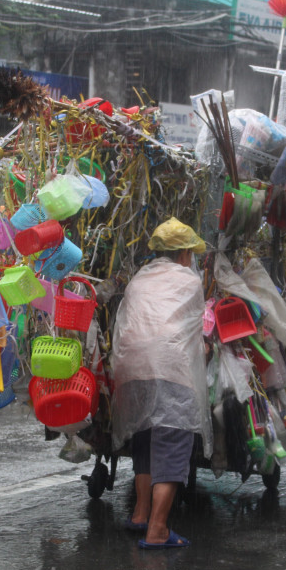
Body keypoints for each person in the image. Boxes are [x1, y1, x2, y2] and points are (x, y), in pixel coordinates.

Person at [110, 217, 210, 549]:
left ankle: (140, 514)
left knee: (145, 437)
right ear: (184, 254)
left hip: (131, 369)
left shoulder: (139, 279)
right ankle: (157, 529)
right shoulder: (190, 281)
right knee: (171, 441)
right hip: (169, 368)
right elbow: (194, 331)